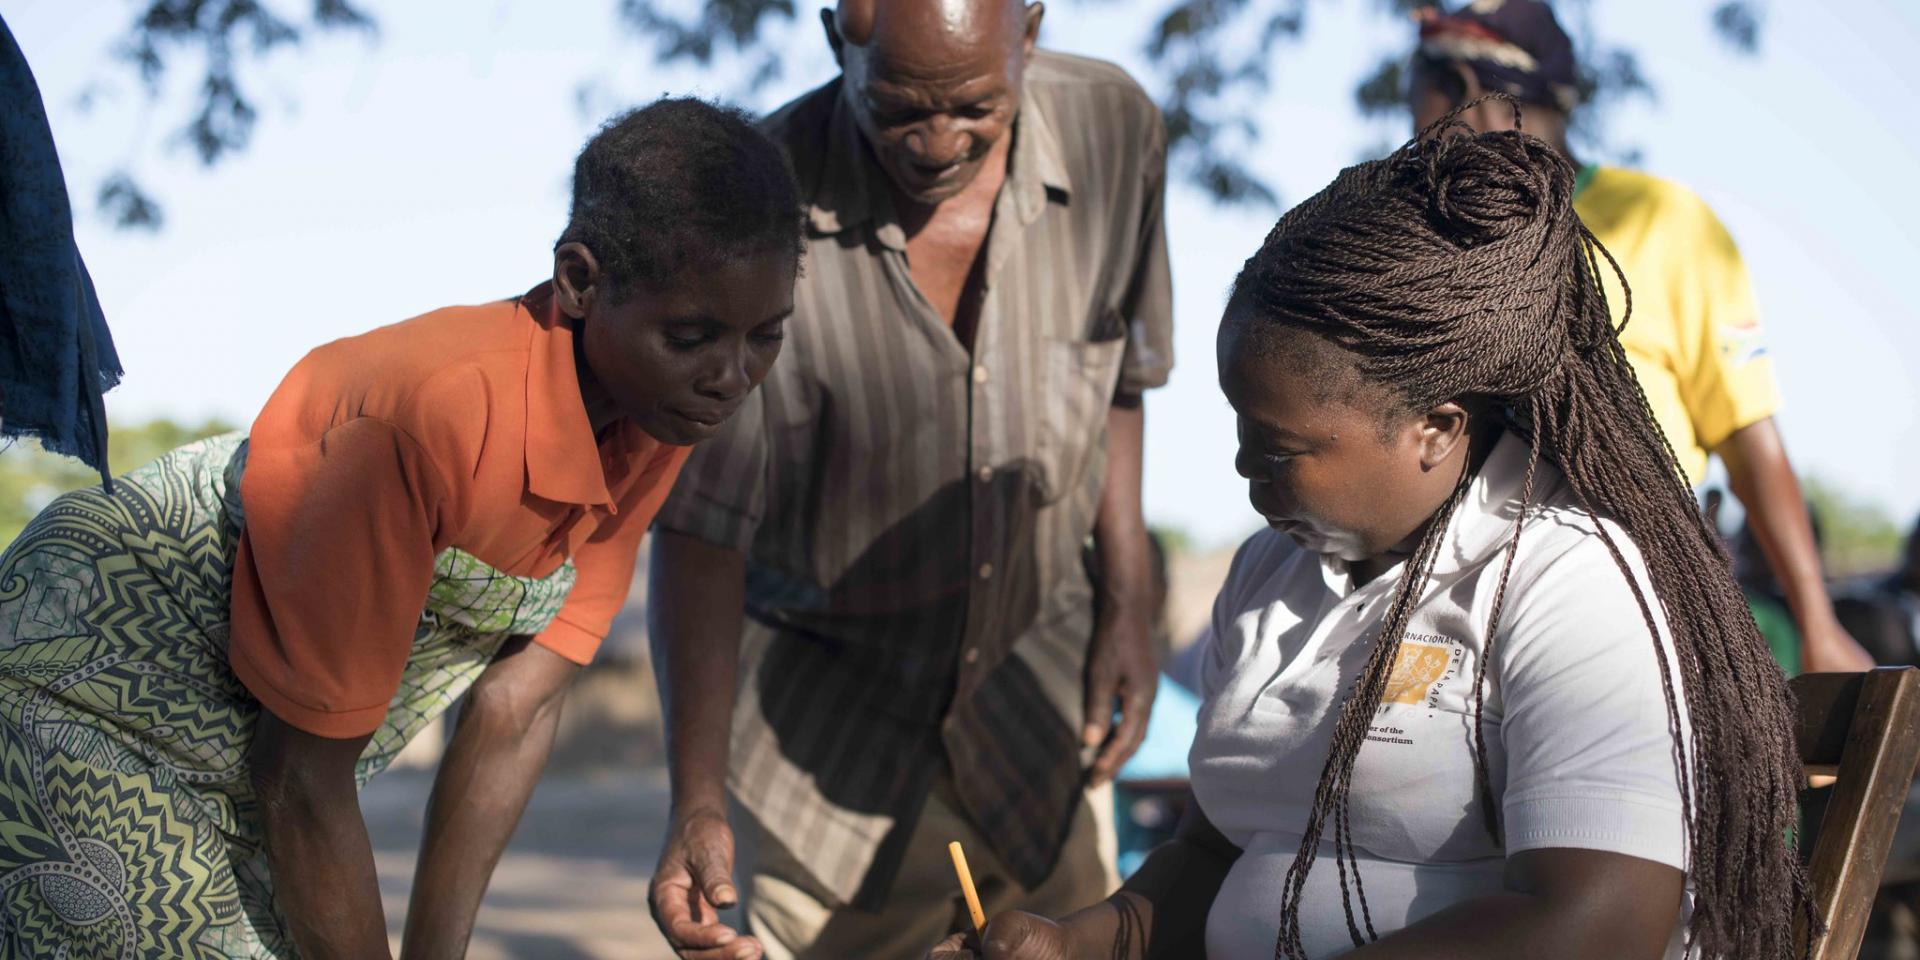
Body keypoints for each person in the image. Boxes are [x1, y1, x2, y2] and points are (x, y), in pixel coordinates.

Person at [928, 105, 1811, 960]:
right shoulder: (1270, 573)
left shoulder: (1567, 581)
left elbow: (1595, 927)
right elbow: (1216, 853)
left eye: (1280, 452)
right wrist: (1082, 942)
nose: (1244, 473)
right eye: (1240, 432)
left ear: (1436, 426)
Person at [0, 97, 800, 958]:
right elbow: (301, 779)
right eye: (692, 335)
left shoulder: (661, 412)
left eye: (766, 337)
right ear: (579, 281)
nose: (732, 376)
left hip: (251, 758)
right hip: (84, 697)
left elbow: (518, 707)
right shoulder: (424, 420)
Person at [646, 0, 1173, 957]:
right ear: (836, 36)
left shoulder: (1116, 128)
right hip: (827, 741)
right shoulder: (749, 204)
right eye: (897, 110)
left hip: (1039, 715)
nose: (937, 143)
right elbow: (700, 527)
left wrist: (1130, 602)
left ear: (1031, 30)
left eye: (976, 107)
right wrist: (697, 796)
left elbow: (1121, 383)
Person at [1407, 0, 1872, 675]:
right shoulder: (1418, 245)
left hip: (1632, 616)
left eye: (1414, 97)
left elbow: (1749, 442)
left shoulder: (1665, 224)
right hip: (1457, 619)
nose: (1409, 126)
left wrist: (1817, 624)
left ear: (1463, 93)